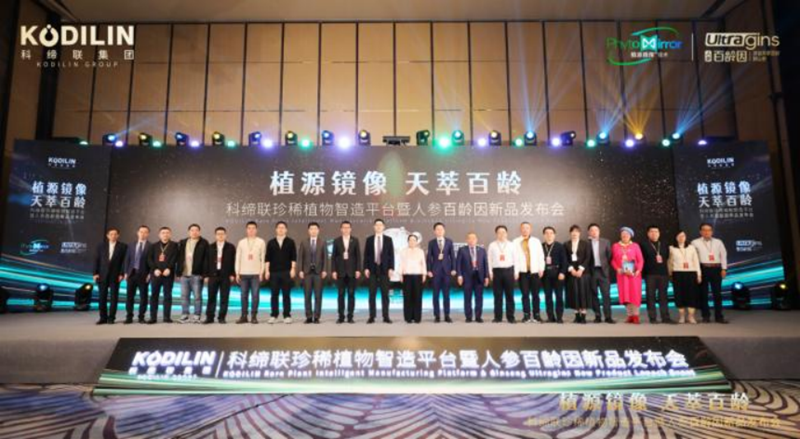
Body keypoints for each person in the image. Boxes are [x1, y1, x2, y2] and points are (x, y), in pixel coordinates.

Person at [691, 223, 729, 324]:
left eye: (709, 230)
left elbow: (723, 255)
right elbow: (692, 257)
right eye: (704, 230)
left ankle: (719, 316)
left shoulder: (718, 242)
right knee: (703, 294)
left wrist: (724, 269)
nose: (707, 232)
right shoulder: (694, 242)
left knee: (717, 294)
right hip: (703, 269)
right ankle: (706, 316)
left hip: (716, 269)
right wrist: (696, 272)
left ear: (712, 231)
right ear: (700, 232)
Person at [93, 227, 127, 325]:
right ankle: (102, 318)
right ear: (107, 236)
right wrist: (95, 273)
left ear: (118, 235)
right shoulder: (101, 246)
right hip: (102, 275)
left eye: (115, 234)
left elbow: (124, 262)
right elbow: (96, 260)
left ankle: (111, 318)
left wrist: (121, 273)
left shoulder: (123, 246)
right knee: (102, 298)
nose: (113, 236)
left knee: (114, 298)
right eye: (111, 234)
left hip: (115, 276)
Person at [513, 222, 546, 323]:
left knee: (536, 295)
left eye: (527, 228)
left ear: (530, 229)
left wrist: (541, 268)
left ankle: (536, 315)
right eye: (523, 228)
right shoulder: (515, 241)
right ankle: (526, 315)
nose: (525, 230)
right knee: (525, 295)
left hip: (535, 272)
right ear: (520, 229)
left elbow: (541, 256)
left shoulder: (536, 241)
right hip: (523, 272)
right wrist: (516, 271)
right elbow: (514, 258)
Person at [265, 221, 297, 324]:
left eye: (283, 227)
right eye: (279, 227)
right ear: (276, 229)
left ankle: (287, 315)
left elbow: (293, 257)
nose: (281, 229)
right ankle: (274, 315)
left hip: (286, 272)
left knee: (286, 294)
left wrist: (293, 269)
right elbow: (267, 258)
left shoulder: (290, 242)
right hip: (274, 272)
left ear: (286, 230)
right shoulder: (271, 242)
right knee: (274, 294)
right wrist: (267, 271)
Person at [363, 219, 394, 324]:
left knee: (385, 294)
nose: (379, 227)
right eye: (377, 225)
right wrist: (366, 268)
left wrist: (391, 268)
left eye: (380, 225)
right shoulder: (369, 240)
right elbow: (366, 255)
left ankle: (386, 316)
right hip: (372, 269)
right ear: (374, 227)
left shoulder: (388, 239)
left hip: (384, 270)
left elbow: (391, 255)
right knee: (372, 294)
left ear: (383, 227)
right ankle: (372, 316)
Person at [235, 221, 266, 324]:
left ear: (256, 230)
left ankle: (254, 316)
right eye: (249, 228)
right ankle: (243, 316)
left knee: (255, 296)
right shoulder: (241, 242)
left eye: (253, 228)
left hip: (256, 273)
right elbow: (238, 258)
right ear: (246, 230)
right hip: (243, 273)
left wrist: (261, 272)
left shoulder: (261, 242)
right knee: (243, 295)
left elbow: (263, 258)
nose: (251, 230)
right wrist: (237, 272)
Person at [488, 225, 521, 323]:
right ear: (496, 234)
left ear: (507, 233)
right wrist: (490, 272)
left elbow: (516, 259)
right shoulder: (492, 245)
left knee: (509, 295)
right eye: (499, 232)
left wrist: (516, 272)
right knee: (497, 296)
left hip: (509, 271)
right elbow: (489, 260)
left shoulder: (512, 245)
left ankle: (510, 317)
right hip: (497, 272)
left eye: (503, 232)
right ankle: (497, 317)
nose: (501, 234)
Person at [611, 227, 644, 324]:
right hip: (622, 275)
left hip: (633, 275)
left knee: (634, 294)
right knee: (625, 295)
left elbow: (641, 260)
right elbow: (612, 260)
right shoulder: (615, 246)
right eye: (623, 234)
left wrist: (638, 270)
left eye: (627, 234)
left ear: (630, 236)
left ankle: (636, 315)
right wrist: (617, 268)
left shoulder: (635, 246)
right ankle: (630, 315)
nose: (625, 235)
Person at [177, 224, 209, 324]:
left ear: (199, 232)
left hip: (197, 275)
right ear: (189, 232)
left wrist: (204, 274)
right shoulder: (182, 242)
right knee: (184, 296)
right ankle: (185, 315)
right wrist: (178, 272)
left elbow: (206, 260)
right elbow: (179, 258)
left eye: (196, 230)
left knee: (197, 297)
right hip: (184, 274)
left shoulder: (204, 243)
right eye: (192, 230)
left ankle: (197, 315)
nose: (194, 232)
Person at [641, 225, 673, 324]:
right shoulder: (643, 244)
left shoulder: (664, 244)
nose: (654, 233)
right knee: (650, 296)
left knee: (663, 296)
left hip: (663, 274)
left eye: (656, 232)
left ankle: (665, 317)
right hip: (649, 274)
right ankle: (653, 318)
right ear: (648, 233)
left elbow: (668, 258)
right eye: (652, 231)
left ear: (659, 233)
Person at [146, 226, 178, 324]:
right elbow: (149, 259)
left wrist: (169, 268)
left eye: (167, 233)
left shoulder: (175, 245)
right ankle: (153, 317)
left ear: (170, 234)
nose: (165, 234)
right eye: (163, 233)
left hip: (168, 274)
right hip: (156, 274)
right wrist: (154, 269)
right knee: (154, 296)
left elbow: (175, 258)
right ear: (159, 235)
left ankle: (166, 317)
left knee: (167, 296)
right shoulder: (153, 246)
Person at [669, 230, 702, 324]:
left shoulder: (691, 247)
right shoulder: (671, 248)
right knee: (679, 295)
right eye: (679, 236)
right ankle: (682, 316)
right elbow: (669, 262)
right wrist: (670, 274)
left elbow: (696, 261)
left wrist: (699, 274)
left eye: (683, 236)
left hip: (691, 273)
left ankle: (691, 316)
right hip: (677, 273)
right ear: (676, 238)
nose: (681, 238)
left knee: (691, 295)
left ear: (686, 237)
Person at [297, 222, 327, 324]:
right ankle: (309, 316)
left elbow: (325, 257)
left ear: (318, 230)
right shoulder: (304, 242)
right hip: (307, 272)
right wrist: (300, 270)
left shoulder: (322, 242)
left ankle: (317, 317)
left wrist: (324, 270)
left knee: (318, 296)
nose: (313, 231)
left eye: (315, 229)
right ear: (308, 231)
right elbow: (300, 257)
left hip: (318, 272)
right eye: (311, 229)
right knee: (307, 295)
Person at [204, 227, 236, 324]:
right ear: (215, 235)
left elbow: (234, 262)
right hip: (213, 275)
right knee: (211, 297)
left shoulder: (231, 247)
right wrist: (206, 275)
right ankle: (209, 317)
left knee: (224, 297)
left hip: (225, 276)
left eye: (222, 234)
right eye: (218, 234)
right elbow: (206, 262)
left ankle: (222, 317)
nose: (220, 235)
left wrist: (232, 274)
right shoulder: (210, 247)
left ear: (225, 235)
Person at [331, 221, 360, 324]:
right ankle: (341, 317)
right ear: (341, 229)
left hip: (352, 272)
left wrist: (358, 269)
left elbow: (358, 256)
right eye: (344, 227)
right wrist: (334, 270)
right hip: (340, 272)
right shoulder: (337, 241)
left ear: (350, 229)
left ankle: (350, 316)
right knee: (341, 294)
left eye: (348, 227)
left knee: (351, 294)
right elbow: (333, 257)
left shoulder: (355, 240)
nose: (346, 229)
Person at [426, 222, 456, 323]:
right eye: (437, 229)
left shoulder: (449, 242)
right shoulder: (431, 243)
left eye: (441, 229)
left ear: (444, 230)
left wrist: (453, 268)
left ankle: (447, 315)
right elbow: (429, 258)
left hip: (446, 271)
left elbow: (452, 256)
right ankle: (437, 315)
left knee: (446, 295)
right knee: (435, 295)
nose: (439, 231)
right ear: (434, 231)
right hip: (435, 272)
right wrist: (429, 270)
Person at [456, 232, 489, 323]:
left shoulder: (482, 250)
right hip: (467, 277)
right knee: (467, 298)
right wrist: (459, 275)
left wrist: (486, 276)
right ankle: (468, 317)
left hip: (479, 277)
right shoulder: (462, 250)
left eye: (473, 238)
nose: (471, 240)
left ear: (476, 240)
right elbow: (458, 264)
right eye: (469, 238)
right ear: (467, 240)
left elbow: (485, 264)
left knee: (479, 298)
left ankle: (478, 317)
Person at [122, 225, 151, 324]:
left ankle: (141, 317)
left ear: (148, 234)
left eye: (145, 232)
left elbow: (152, 262)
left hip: (144, 275)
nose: (143, 234)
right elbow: (127, 259)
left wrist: (150, 274)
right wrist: (126, 272)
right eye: (141, 232)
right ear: (137, 233)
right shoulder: (131, 245)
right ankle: (129, 316)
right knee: (129, 297)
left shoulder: (151, 246)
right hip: (131, 274)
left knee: (143, 297)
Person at [587, 223, 614, 323]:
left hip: (603, 272)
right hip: (592, 272)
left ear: (599, 231)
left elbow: (610, 256)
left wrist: (605, 267)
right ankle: (597, 316)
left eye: (596, 230)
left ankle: (608, 317)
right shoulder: (586, 243)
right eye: (592, 230)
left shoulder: (606, 242)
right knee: (594, 295)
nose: (594, 232)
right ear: (589, 232)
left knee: (606, 295)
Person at [564, 225, 591, 323]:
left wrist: (580, 269)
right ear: (570, 233)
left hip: (583, 273)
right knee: (574, 293)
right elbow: (565, 259)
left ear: (579, 233)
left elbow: (588, 257)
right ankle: (576, 316)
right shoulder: (566, 244)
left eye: (576, 231)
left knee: (583, 293)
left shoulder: (586, 244)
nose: (574, 233)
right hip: (572, 273)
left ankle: (583, 316)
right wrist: (571, 270)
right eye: (573, 231)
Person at [541, 226, 567, 323]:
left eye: (551, 233)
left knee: (559, 296)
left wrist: (562, 272)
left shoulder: (560, 246)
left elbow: (564, 261)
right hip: (545, 274)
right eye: (547, 233)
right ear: (544, 235)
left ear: (554, 235)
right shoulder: (540, 246)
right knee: (548, 296)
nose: (549, 235)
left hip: (557, 274)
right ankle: (550, 317)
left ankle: (559, 317)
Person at [400, 234, 427, 323]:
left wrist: (424, 274)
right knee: (407, 297)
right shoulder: (403, 251)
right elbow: (401, 264)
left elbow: (423, 263)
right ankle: (408, 317)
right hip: (407, 276)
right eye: (410, 240)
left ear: (416, 242)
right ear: (408, 241)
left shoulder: (420, 251)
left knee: (417, 297)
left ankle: (417, 317)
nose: (412, 242)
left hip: (418, 275)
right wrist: (400, 275)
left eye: (414, 240)